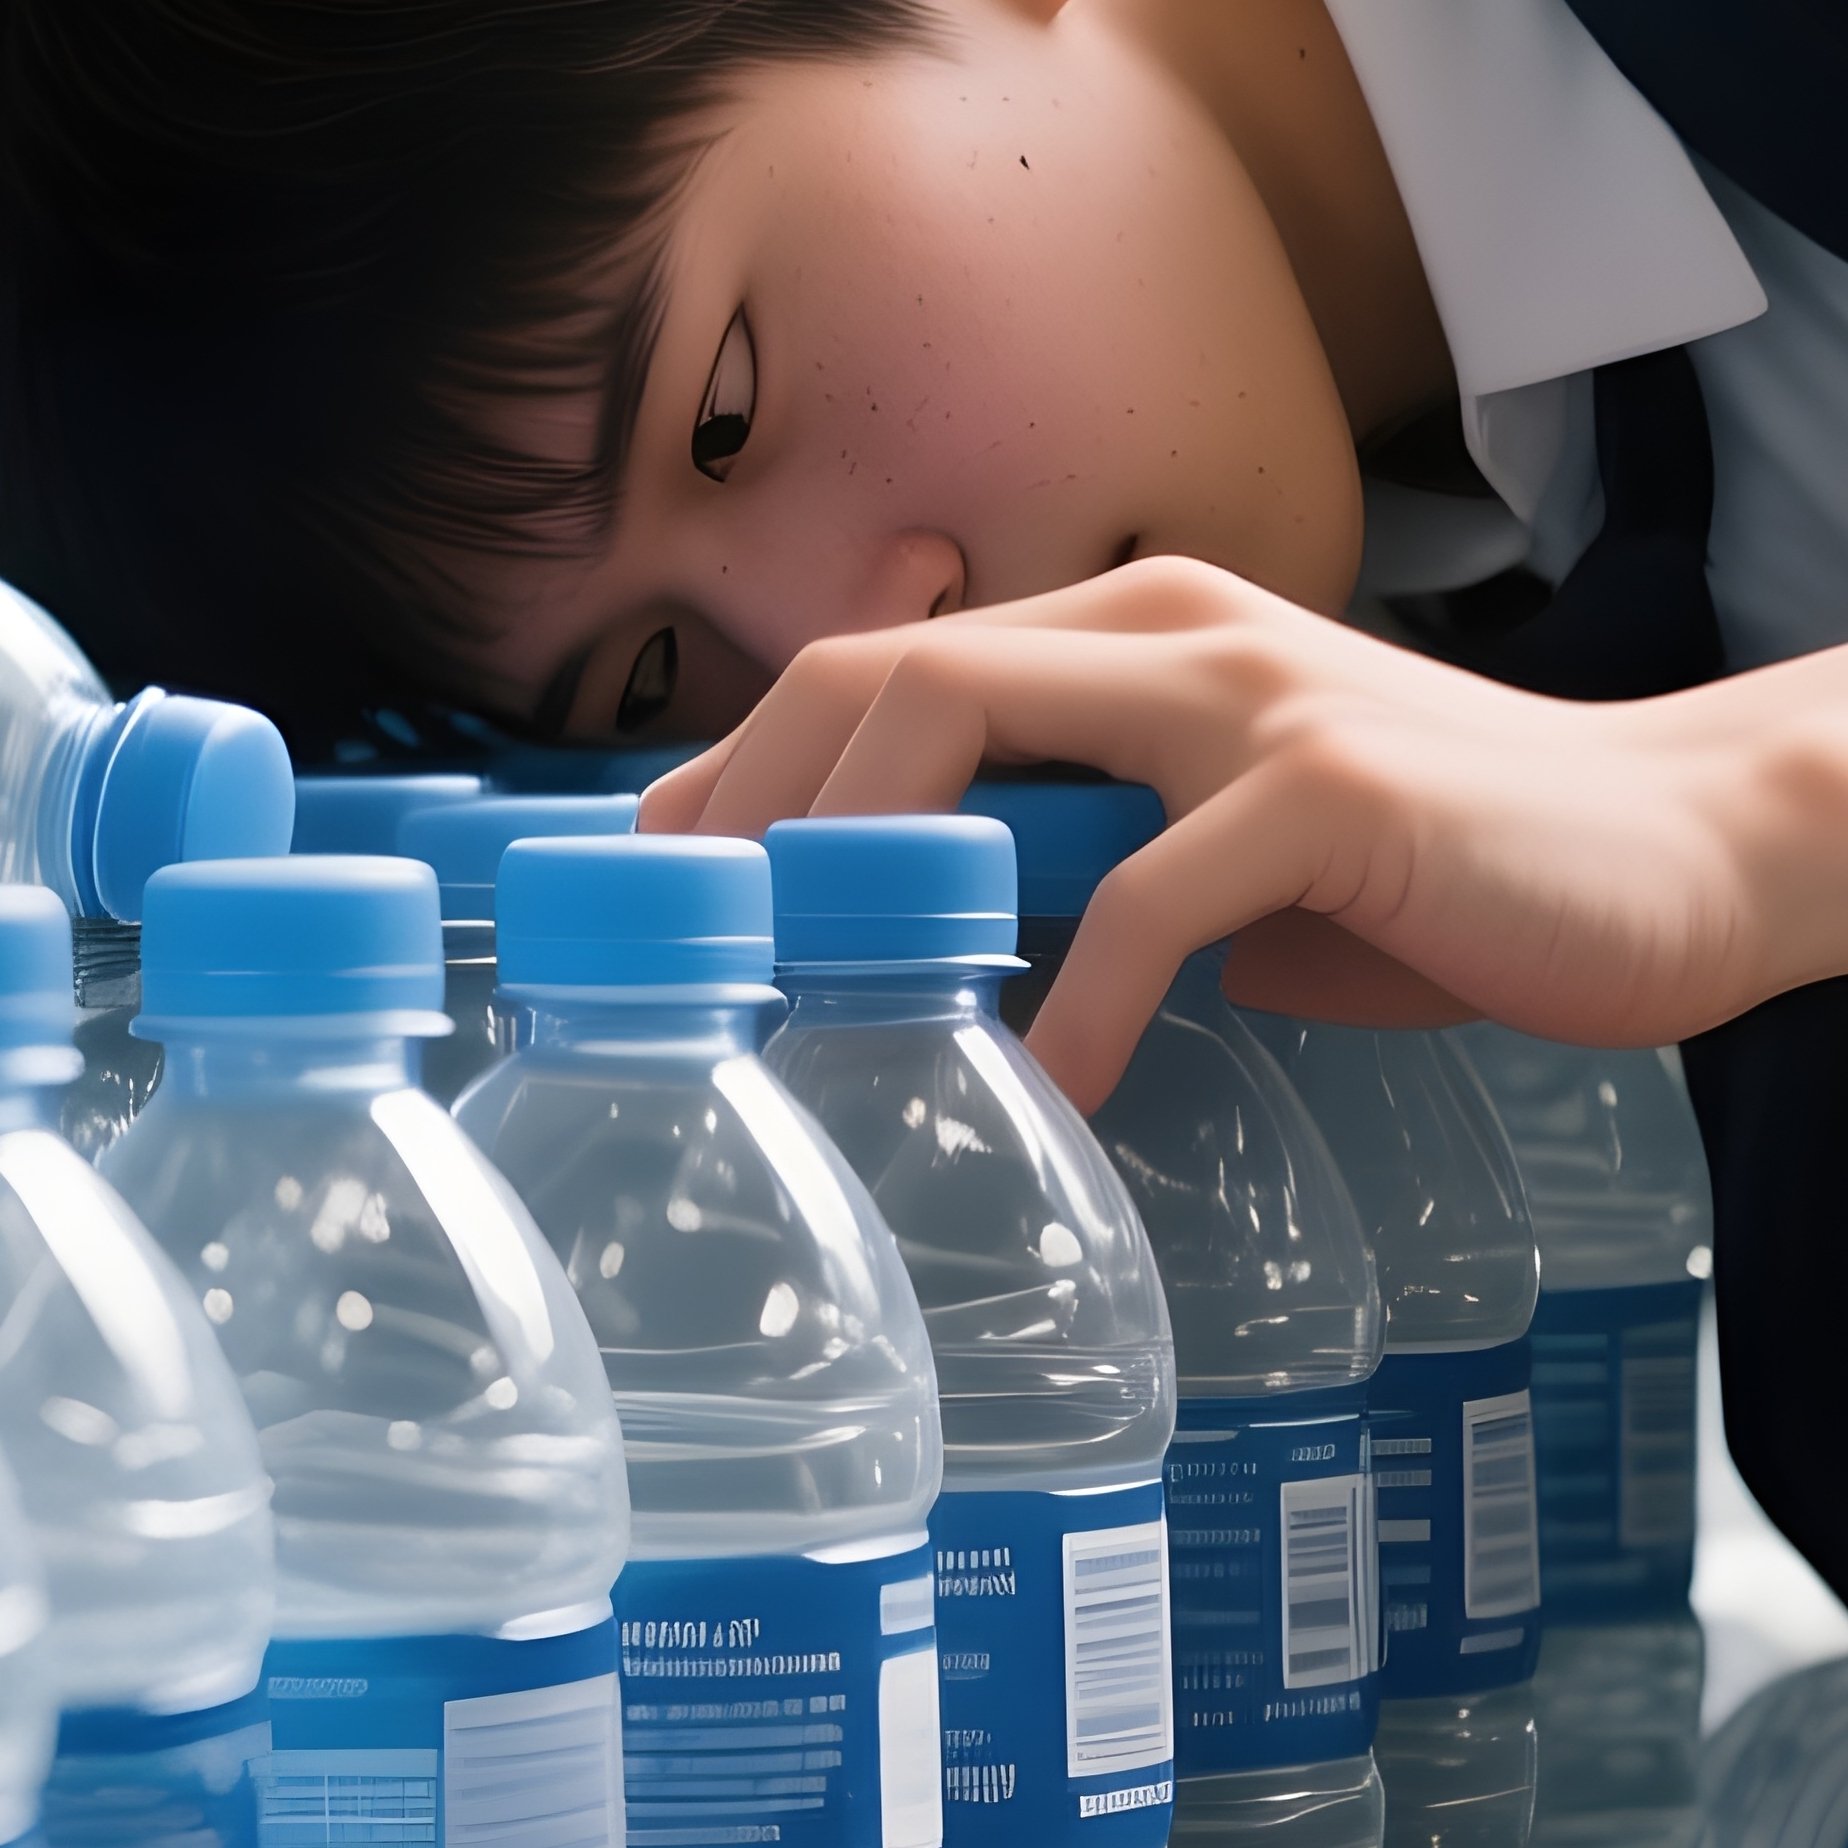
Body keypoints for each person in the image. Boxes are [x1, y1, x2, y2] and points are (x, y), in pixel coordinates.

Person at [5, 1, 1848, 1593]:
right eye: (653, 676)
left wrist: (1761, 818)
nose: (859, 639)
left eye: (724, 405)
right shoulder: (1480, 721)